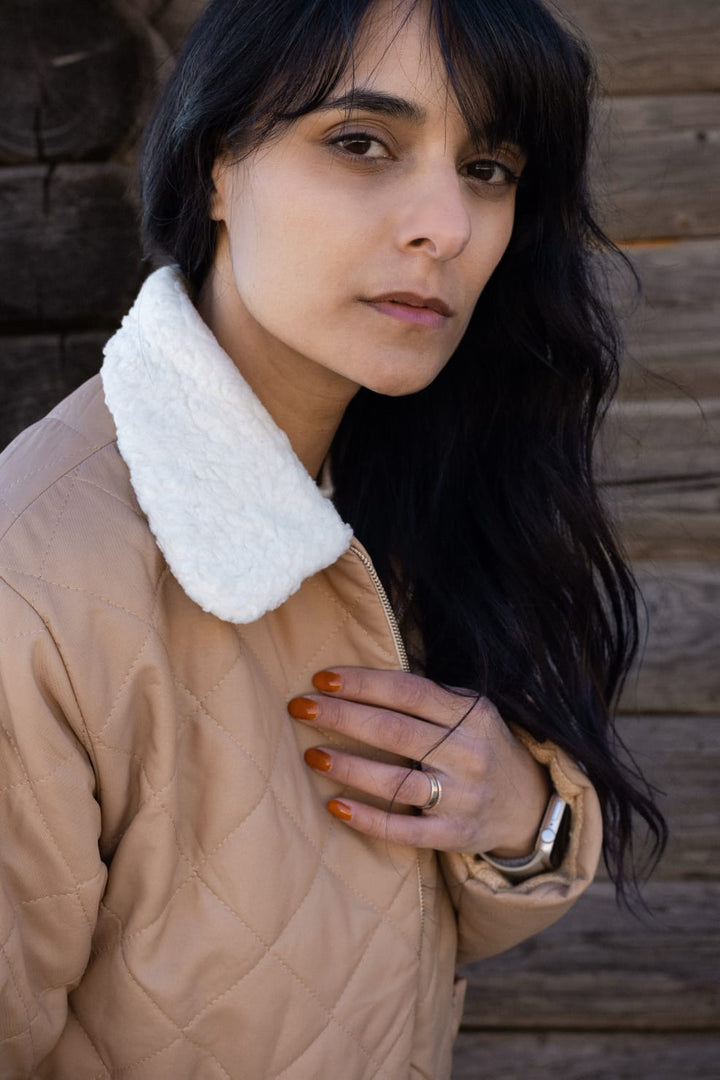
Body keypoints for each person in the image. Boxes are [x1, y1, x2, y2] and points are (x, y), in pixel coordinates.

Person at [0, 0, 666, 1076]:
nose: (446, 224)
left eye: (488, 168)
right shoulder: (33, 584)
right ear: (219, 166)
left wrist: (521, 816)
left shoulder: (403, 469)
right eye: (361, 143)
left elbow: (375, 924)